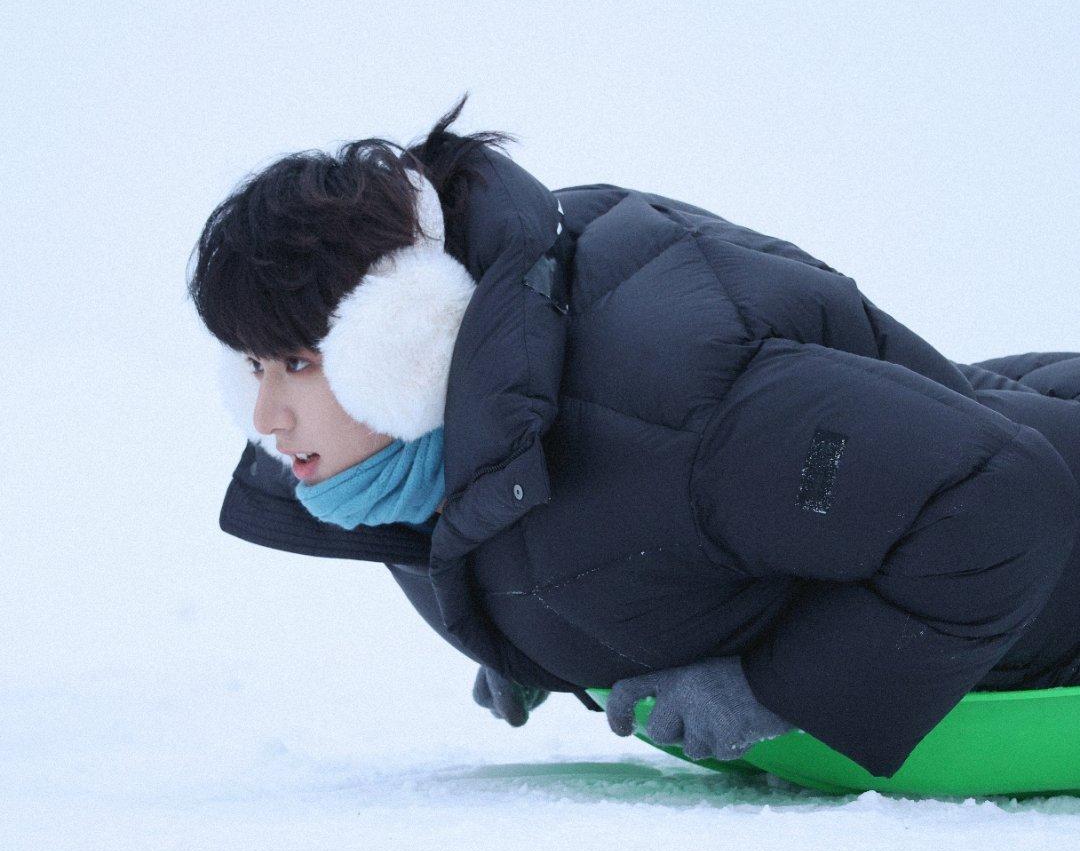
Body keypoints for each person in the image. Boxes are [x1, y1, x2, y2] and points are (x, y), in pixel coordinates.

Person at [187, 94, 1080, 779]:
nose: (266, 419)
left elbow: (999, 499)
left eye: (299, 365)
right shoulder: (401, 462)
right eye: (254, 369)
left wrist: (776, 689)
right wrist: (521, 631)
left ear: (409, 334)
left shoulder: (682, 403)